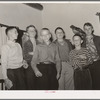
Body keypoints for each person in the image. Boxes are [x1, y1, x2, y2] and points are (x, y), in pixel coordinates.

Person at [83, 22, 100, 90]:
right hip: (87, 64)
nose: (87, 30)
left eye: (89, 28)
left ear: (92, 29)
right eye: (85, 29)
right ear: (84, 30)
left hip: (97, 63)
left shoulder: (98, 38)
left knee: (98, 82)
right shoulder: (82, 40)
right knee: (89, 83)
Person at [22, 25, 39, 90]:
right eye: (31, 31)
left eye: (34, 30)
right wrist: (35, 54)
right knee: (31, 85)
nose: (33, 32)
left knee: (39, 85)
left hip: (39, 65)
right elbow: (25, 56)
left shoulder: (39, 42)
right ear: (27, 33)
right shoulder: (25, 42)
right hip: (29, 66)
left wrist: (31, 53)